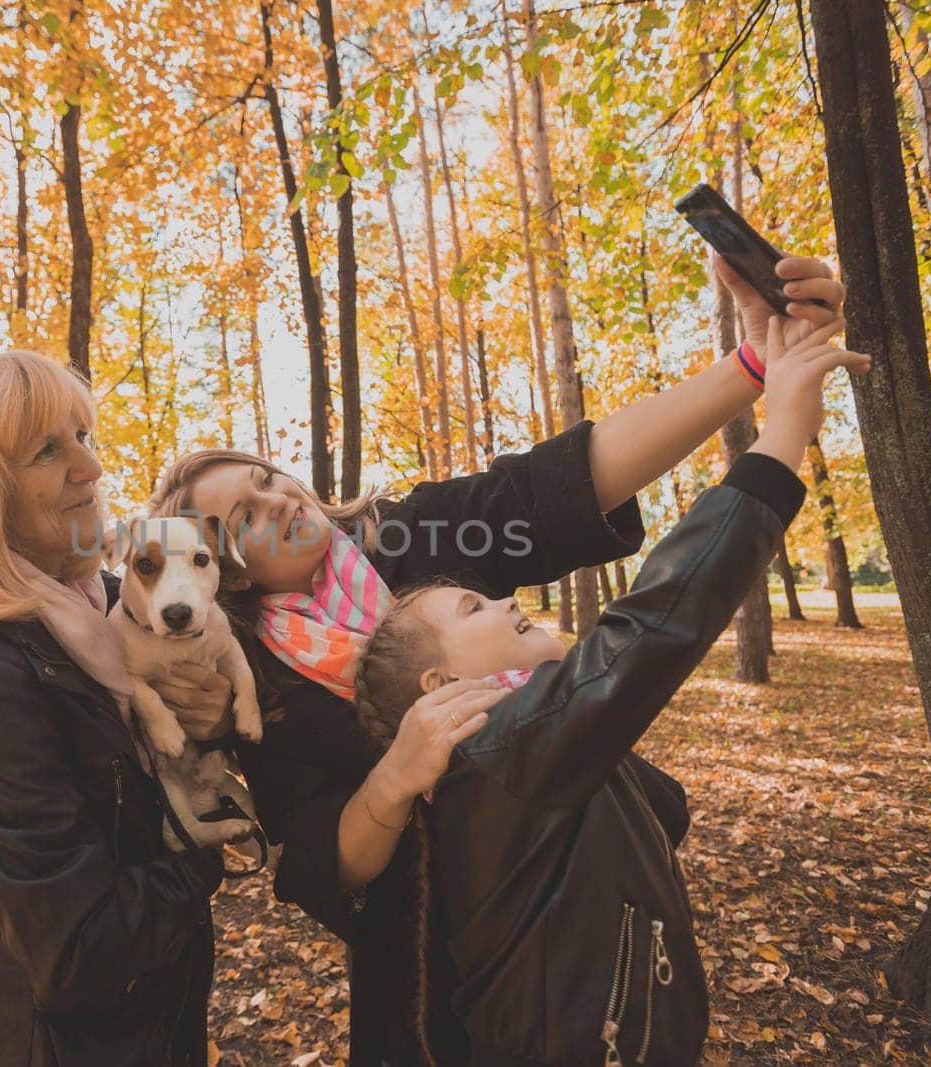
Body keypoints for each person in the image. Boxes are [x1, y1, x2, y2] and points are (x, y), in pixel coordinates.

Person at [148, 256, 850, 1064]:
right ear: (222, 571)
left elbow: (556, 486)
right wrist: (391, 780)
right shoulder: (252, 682)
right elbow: (316, 861)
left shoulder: (405, 532)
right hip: (426, 984)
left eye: (267, 476)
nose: (275, 497)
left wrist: (757, 365)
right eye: (242, 516)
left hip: (581, 930)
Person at [350, 314, 864, 1065]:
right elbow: (657, 620)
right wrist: (780, 440)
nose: (506, 600)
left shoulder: (506, 754)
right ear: (440, 685)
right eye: (474, 607)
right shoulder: (501, 747)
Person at [0, 350, 236, 1067]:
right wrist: (210, 846)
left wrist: (215, 722)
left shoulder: (102, 611)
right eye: (47, 450)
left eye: (83, 436)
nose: (90, 468)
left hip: (152, 1029)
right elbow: (79, 951)